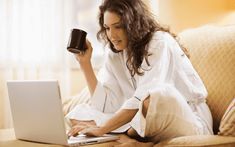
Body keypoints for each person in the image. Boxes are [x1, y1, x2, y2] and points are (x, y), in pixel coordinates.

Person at [66, 0, 213, 146]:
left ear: (133, 24)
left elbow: (144, 98)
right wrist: (85, 63)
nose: (112, 35)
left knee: (153, 98)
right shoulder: (114, 52)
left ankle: (124, 134)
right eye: (107, 28)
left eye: (118, 27)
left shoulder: (159, 41)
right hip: (142, 118)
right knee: (77, 114)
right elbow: (104, 105)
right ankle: (128, 136)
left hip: (186, 117)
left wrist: (102, 128)